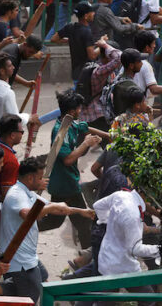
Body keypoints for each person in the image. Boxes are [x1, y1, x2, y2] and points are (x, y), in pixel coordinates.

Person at [0, 157, 95, 302]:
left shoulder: (29, 193)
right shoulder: (16, 194)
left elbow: (55, 208)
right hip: (19, 260)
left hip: (28, 256)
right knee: (30, 296)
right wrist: (53, 207)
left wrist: (81, 211)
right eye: (40, 177)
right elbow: (29, 215)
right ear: (30, 178)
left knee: (42, 277)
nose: (43, 181)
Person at [38, 89, 106, 249]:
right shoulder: (61, 131)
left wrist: (108, 135)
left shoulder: (70, 122)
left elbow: (85, 127)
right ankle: (88, 258)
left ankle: (27, 228)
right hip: (65, 184)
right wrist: (86, 144)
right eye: (78, 108)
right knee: (84, 222)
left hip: (67, 181)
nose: (80, 111)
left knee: (56, 221)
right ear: (71, 111)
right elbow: (68, 160)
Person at [94, 189, 162, 294]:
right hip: (123, 268)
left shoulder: (120, 195)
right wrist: (160, 249)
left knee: (105, 299)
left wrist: (109, 223)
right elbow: (136, 249)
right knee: (148, 299)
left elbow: (97, 206)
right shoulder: (133, 215)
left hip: (106, 259)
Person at [79, 40, 122, 131]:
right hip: (96, 115)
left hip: (91, 114)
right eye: (111, 54)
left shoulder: (104, 70)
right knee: (108, 143)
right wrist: (105, 46)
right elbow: (119, 57)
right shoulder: (100, 71)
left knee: (85, 143)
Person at [51, 1, 98, 81]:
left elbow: (54, 39)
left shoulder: (70, 27)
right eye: (91, 12)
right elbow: (92, 56)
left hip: (75, 72)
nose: (93, 13)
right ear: (86, 16)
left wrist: (69, 40)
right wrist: (102, 45)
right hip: (86, 74)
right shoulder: (87, 32)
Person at [133, 30, 162, 98]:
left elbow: (157, 58)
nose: (155, 46)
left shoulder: (130, 59)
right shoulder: (145, 65)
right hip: (139, 102)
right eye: (153, 43)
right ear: (147, 48)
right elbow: (154, 90)